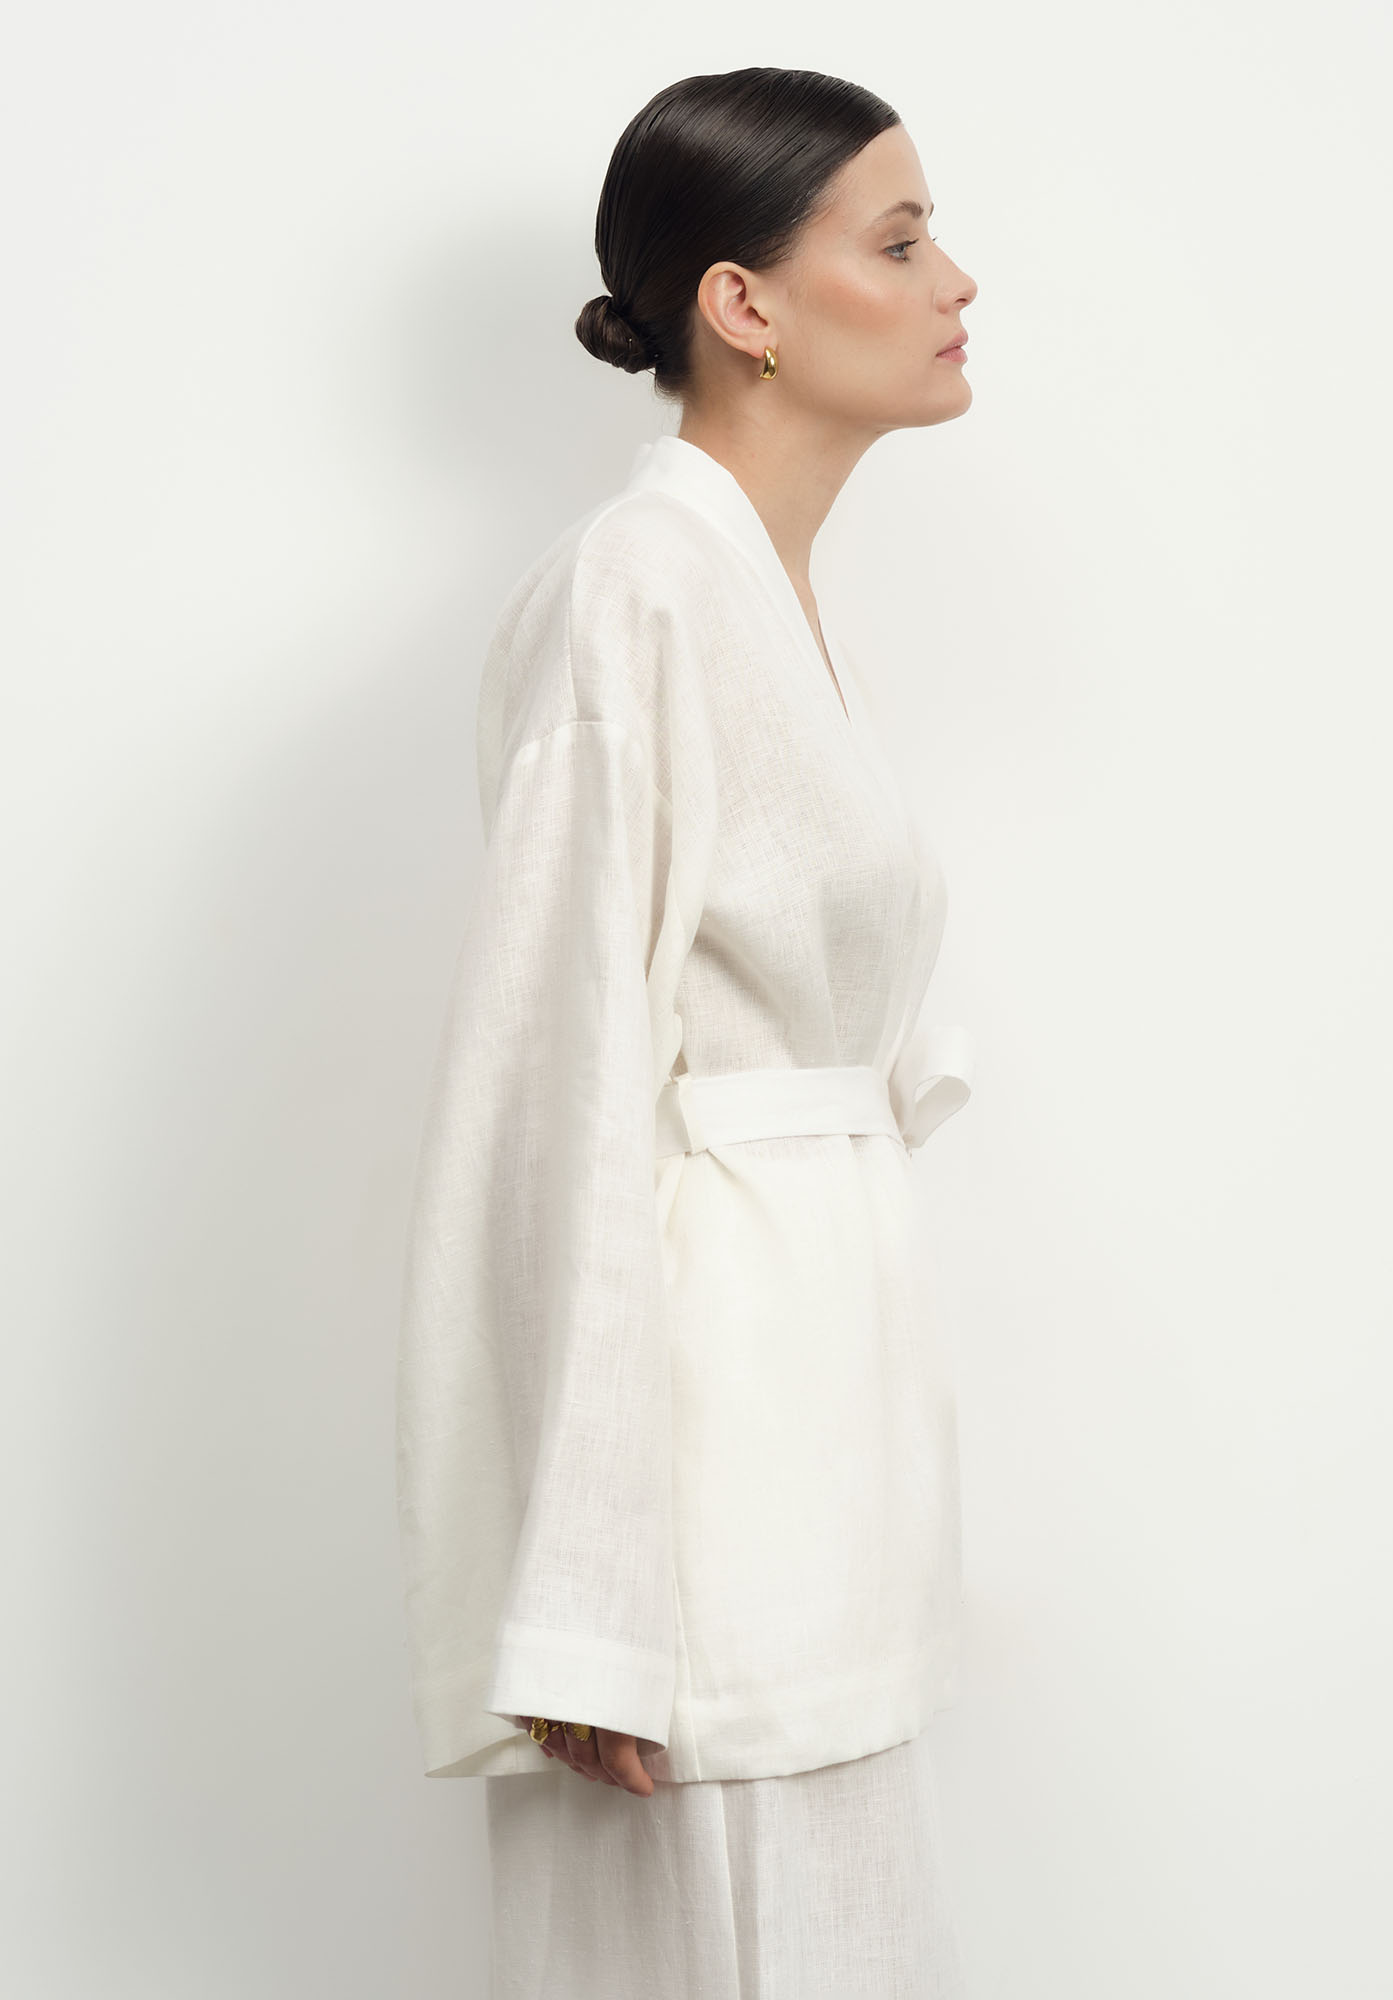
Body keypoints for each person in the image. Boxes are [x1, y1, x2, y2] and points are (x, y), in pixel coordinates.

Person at [394, 64, 981, 1997]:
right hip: (691, 1506)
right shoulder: (631, 596)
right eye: (900, 240)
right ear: (744, 304)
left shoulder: (768, 600)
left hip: (817, 1455)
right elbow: (549, 1087)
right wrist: (583, 1600)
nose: (958, 280)